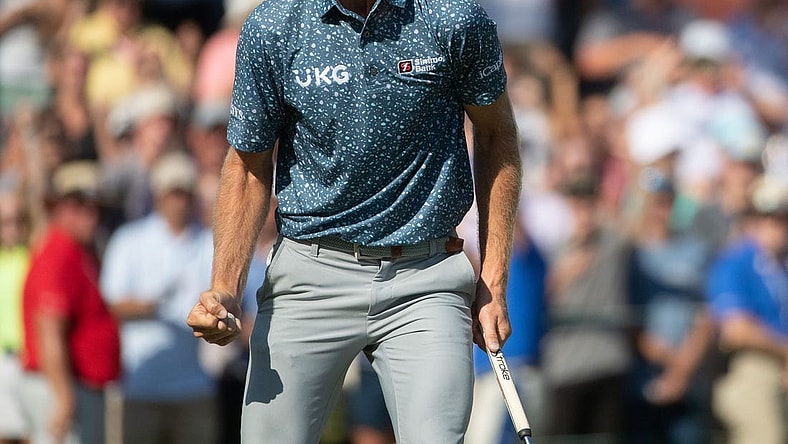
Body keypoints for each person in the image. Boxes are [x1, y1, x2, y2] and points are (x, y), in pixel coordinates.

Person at [186, 0, 522, 442]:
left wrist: (494, 282)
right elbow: (248, 167)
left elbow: (497, 134)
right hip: (309, 275)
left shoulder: (453, 18)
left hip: (425, 278)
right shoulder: (274, 25)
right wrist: (225, 289)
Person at [99, 151, 218, 444]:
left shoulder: (208, 243)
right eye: (173, 194)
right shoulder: (130, 240)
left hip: (193, 385)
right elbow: (110, 304)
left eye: (185, 194)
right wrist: (153, 305)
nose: (180, 202)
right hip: (140, 385)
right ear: (158, 196)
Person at [20, 161, 120, 444]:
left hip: (79, 387)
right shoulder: (57, 254)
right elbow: (48, 329)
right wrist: (63, 397)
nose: (91, 215)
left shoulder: (79, 251)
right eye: (79, 206)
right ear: (59, 207)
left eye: (95, 207)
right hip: (63, 388)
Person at [706, 174, 788, 444]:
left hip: (780, 364)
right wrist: (785, 352)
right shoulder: (735, 262)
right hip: (751, 365)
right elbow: (737, 330)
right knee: (766, 436)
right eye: (764, 217)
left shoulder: (781, 264)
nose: (773, 227)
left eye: (780, 219)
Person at [0, 184, 31, 444]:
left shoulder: (33, 258)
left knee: (29, 432)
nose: (11, 228)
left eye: (17, 221)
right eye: (5, 222)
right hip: (2, 358)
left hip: (27, 359)